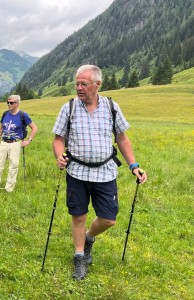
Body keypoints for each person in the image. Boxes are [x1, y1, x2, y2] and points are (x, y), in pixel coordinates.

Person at [52, 64, 148, 281]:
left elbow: (122, 138)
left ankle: (89, 238)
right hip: (76, 171)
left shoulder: (111, 107)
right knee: (79, 215)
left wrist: (134, 166)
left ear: (97, 84)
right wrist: (59, 155)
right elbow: (58, 139)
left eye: (83, 84)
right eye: (76, 83)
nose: (78, 87)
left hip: (105, 172)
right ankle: (79, 257)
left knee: (108, 218)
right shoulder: (69, 108)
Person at [0, 95, 37, 192]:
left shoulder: (23, 115)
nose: (9, 104)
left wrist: (28, 140)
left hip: (15, 143)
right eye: (8, 102)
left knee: (13, 166)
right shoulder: (5, 114)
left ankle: (9, 189)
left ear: (17, 103)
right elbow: (1, 129)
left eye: (11, 102)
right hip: (3, 142)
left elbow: (34, 128)